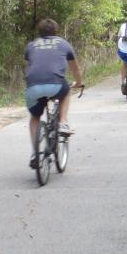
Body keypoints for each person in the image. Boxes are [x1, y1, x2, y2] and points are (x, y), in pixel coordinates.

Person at [24, 18, 84, 168]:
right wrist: (78, 82)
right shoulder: (63, 43)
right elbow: (75, 69)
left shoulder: (31, 45)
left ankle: (35, 152)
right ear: (56, 31)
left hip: (33, 87)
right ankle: (62, 122)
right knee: (66, 91)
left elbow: (32, 64)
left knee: (35, 117)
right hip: (56, 85)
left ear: (40, 31)